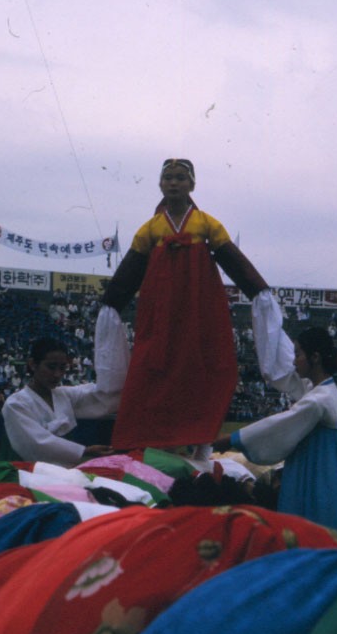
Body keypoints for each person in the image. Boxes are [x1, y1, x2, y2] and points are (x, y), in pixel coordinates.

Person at [103, 158, 269, 452]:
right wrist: (110, 303)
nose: (174, 183)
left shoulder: (206, 223)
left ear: (192, 184)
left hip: (197, 307)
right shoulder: (151, 229)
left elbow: (233, 260)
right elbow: (130, 270)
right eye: (168, 178)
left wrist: (259, 290)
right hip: (161, 310)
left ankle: (199, 439)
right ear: (160, 184)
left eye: (181, 178)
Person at [213, 326, 337, 545]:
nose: (294, 361)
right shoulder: (323, 389)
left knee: (310, 524)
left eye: (298, 354)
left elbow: (279, 425)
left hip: (315, 471)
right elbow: (291, 385)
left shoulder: (318, 399)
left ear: (315, 357)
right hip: (321, 467)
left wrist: (232, 439)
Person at [1, 323, 127, 466]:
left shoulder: (64, 395)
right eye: (51, 367)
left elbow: (102, 395)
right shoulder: (16, 404)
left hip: (62, 474)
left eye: (62, 368)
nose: (57, 374)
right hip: (23, 474)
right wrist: (84, 451)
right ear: (33, 364)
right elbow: (36, 444)